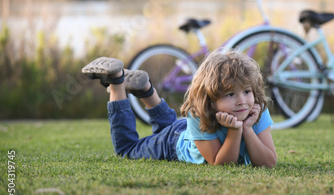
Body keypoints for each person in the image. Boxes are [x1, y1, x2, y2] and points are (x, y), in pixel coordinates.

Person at [81, 50, 277, 168]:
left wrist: (248, 129)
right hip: (171, 144)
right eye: (230, 94)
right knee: (126, 149)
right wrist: (235, 131)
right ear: (209, 100)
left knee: (168, 125)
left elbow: (269, 162)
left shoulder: (255, 110)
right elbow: (222, 164)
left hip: (183, 131)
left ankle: (146, 90)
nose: (242, 101)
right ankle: (116, 82)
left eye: (246, 91)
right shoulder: (200, 113)